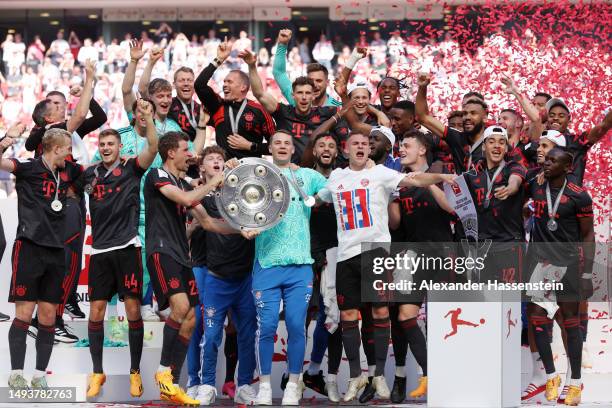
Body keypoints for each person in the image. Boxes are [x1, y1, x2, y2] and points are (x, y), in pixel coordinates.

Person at [317, 132, 456, 402]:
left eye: (365, 144)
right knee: (348, 317)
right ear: (345, 150)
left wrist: (440, 177)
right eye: (355, 144)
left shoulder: (381, 173)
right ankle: (357, 376)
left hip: (376, 253)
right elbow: (317, 195)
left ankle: (381, 375)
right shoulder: (335, 178)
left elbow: (414, 179)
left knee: (382, 311)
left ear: (370, 150)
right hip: (345, 255)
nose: (360, 147)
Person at [144, 132, 255, 405]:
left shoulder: (184, 183)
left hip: (183, 257)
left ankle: (173, 380)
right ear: (171, 153)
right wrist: (215, 181)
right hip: (162, 251)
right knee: (180, 309)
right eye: (186, 150)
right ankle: (163, 373)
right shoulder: (158, 174)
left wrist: (243, 230)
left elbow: (209, 224)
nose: (190, 156)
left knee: (192, 319)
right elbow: (183, 199)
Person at [79, 100, 158, 399]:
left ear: (120, 145)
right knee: (96, 311)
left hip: (127, 247)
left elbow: (152, 145)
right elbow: (77, 191)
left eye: (111, 143)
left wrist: (148, 117)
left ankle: (135, 372)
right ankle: (97, 372)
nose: (106, 147)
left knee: (133, 309)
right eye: (102, 143)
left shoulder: (131, 169)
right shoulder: (89, 175)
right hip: (99, 251)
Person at [26, 60, 106, 342]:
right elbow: (83, 111)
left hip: (68, 201)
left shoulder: (52, 136)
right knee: (67, 262)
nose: (64, 108)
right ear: (48, 118)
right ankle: (50, 320)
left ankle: (49, 319)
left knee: (67, 263)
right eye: (58, 107)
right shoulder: (54, 133)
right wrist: (89, 77)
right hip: (62, 203)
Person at [1, 128, 84, 390]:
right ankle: (15, 374)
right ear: (56, 148)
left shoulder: (68, 172)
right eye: (68, 148)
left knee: (48, 316)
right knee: (24, 314)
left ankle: (39, 376)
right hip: (29, 248)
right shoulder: (27, 168)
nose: (70, 153)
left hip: (56, 251)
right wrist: (7, 140)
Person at [252, 130, 329, 406]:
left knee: (297, 325)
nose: (283, 147)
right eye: (277, 143)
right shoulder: (258, 173)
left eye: (287, 143)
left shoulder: (306, 176)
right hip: (267, 263)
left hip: (300, 265)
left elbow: (331, 187)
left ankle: (294, 384)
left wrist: (317, 199)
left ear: (293, 150)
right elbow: (234, 195)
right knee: (268, 326)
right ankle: (263, 386)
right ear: (270, 148)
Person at [387, 129, 455, 402]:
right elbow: (395, 224)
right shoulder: (399, 182)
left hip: (442, 253)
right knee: (405, 316)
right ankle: (430, 374)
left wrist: (428, 182)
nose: (401, 149)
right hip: (411, 255)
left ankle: (450, 379)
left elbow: (452, 210)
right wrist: (392, 198)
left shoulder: (442, 173)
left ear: (422, 150)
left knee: (443, 321)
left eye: (406, 145)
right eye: (400, 145)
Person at [525, 148, 594, 406]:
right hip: (542, 266)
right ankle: (551, 376)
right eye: (546, 158)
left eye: (554, 160)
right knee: (537, 320)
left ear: (568, 167)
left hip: (569, 266)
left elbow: (588, 235)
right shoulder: (535, 186)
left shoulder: (579, 196)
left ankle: (574, 382)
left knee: (570, 323)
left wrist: (587, 273)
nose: (547, 162)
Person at [190, 146, 258, 405]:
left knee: (247, 334)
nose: (218, 163)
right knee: (211, 336)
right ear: (203, 168)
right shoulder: (203, 198)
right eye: (212, 160)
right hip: (216, 278)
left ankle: (244, 385)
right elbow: (193, 205)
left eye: (221, 159)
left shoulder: (245, 193)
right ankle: (207, 384)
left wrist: (239, 169)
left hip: (245, 278)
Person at [241, 48, 343, 164]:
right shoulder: (283, 112)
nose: (304, 97)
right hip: (286, 175)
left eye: (308, 93)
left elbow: (350, 110)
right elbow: (259, 93)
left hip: (316, 175)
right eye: (300, 93)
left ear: (313, 96)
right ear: (293, 95)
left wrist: (343, 95)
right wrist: (252, 66)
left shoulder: (327, 113)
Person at [194, 38, 275, 159]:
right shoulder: (217, 106)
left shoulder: (259, 110)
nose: (224, 84)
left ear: (243, 87)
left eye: (229, 82)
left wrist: (251, 146)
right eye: (224, 82)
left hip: (251, 171)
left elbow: (277, 146)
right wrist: (219, 59)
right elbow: (199, 85)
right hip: (224, 170)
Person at [273, 29, 341, 108]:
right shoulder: (296, 100)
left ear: (327, 82)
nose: (315, 85)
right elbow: (279, 73)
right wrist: (282, 44)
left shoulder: (336, 107)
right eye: (311, 80)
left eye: (319, 81)